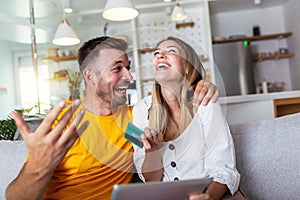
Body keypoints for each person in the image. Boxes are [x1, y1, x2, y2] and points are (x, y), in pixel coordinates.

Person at [6, 36, 220, 200]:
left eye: (128, 67)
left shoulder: (134, 118)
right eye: (117, 69)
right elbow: (14, 197)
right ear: (90, 76)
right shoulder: (64, 121)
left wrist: (200, 84)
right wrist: (36, 166)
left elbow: (153, 158)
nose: (129, 76)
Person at [132, 37, 246, 200]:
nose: (160, 55)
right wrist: (152, 151)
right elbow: (150, 180)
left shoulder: (206, 102)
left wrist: (208, 197)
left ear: (187, 68)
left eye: (171, 51)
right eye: (156, 53)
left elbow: (223, 169)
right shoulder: (139, 111)